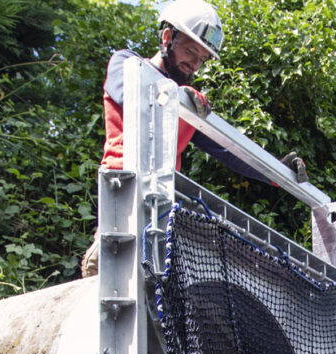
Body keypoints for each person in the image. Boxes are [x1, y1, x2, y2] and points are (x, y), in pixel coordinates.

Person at [82, 0, 307, 276]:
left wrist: (278, 171)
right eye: (191, 51)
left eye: (202, 58)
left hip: (161, 204)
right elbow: (137, 100)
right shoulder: (127, 64)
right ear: (167, 38)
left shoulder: (187, 106)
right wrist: (179, 96)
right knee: (111, 276)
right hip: (123, 198)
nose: (195, 64)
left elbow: (229, 151)